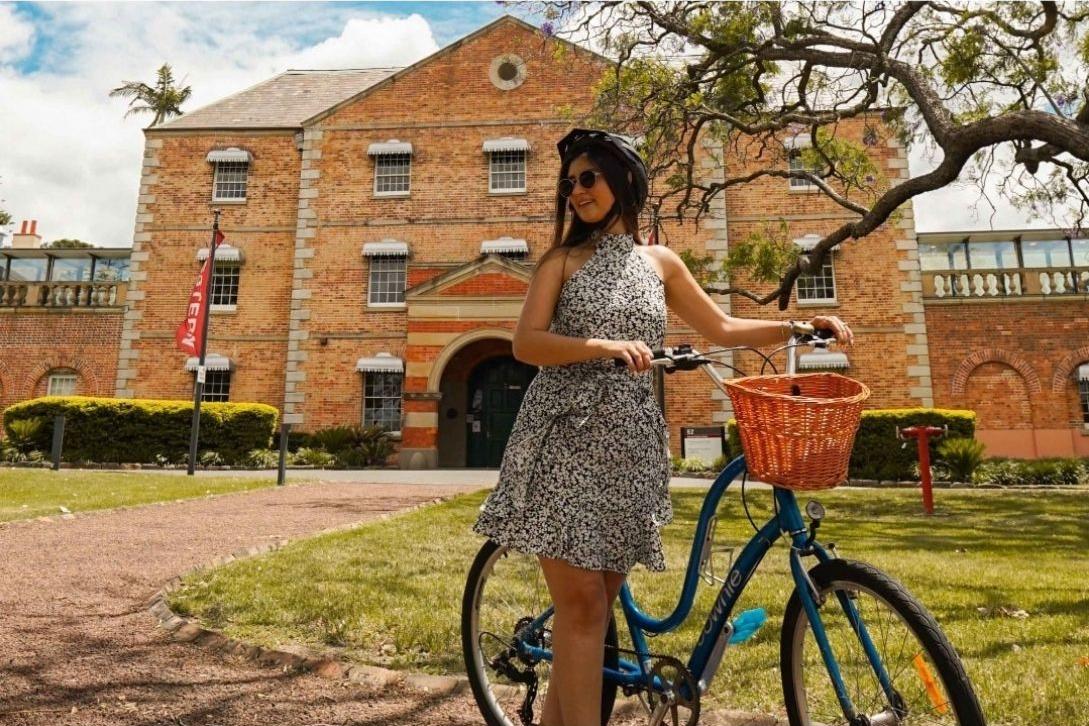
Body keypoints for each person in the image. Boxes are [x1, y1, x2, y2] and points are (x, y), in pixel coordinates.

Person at [472, 128, 852, 726]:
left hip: (629, 442)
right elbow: (526, 343)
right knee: (583, 609)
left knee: (592, 609)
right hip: (563, 433)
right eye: (569, 183)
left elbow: (721, 327)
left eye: (588, 178)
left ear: (625, 181)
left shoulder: (661, 262)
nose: (576, 191)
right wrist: (601, 344)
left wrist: (798, 328)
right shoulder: (562, 260)